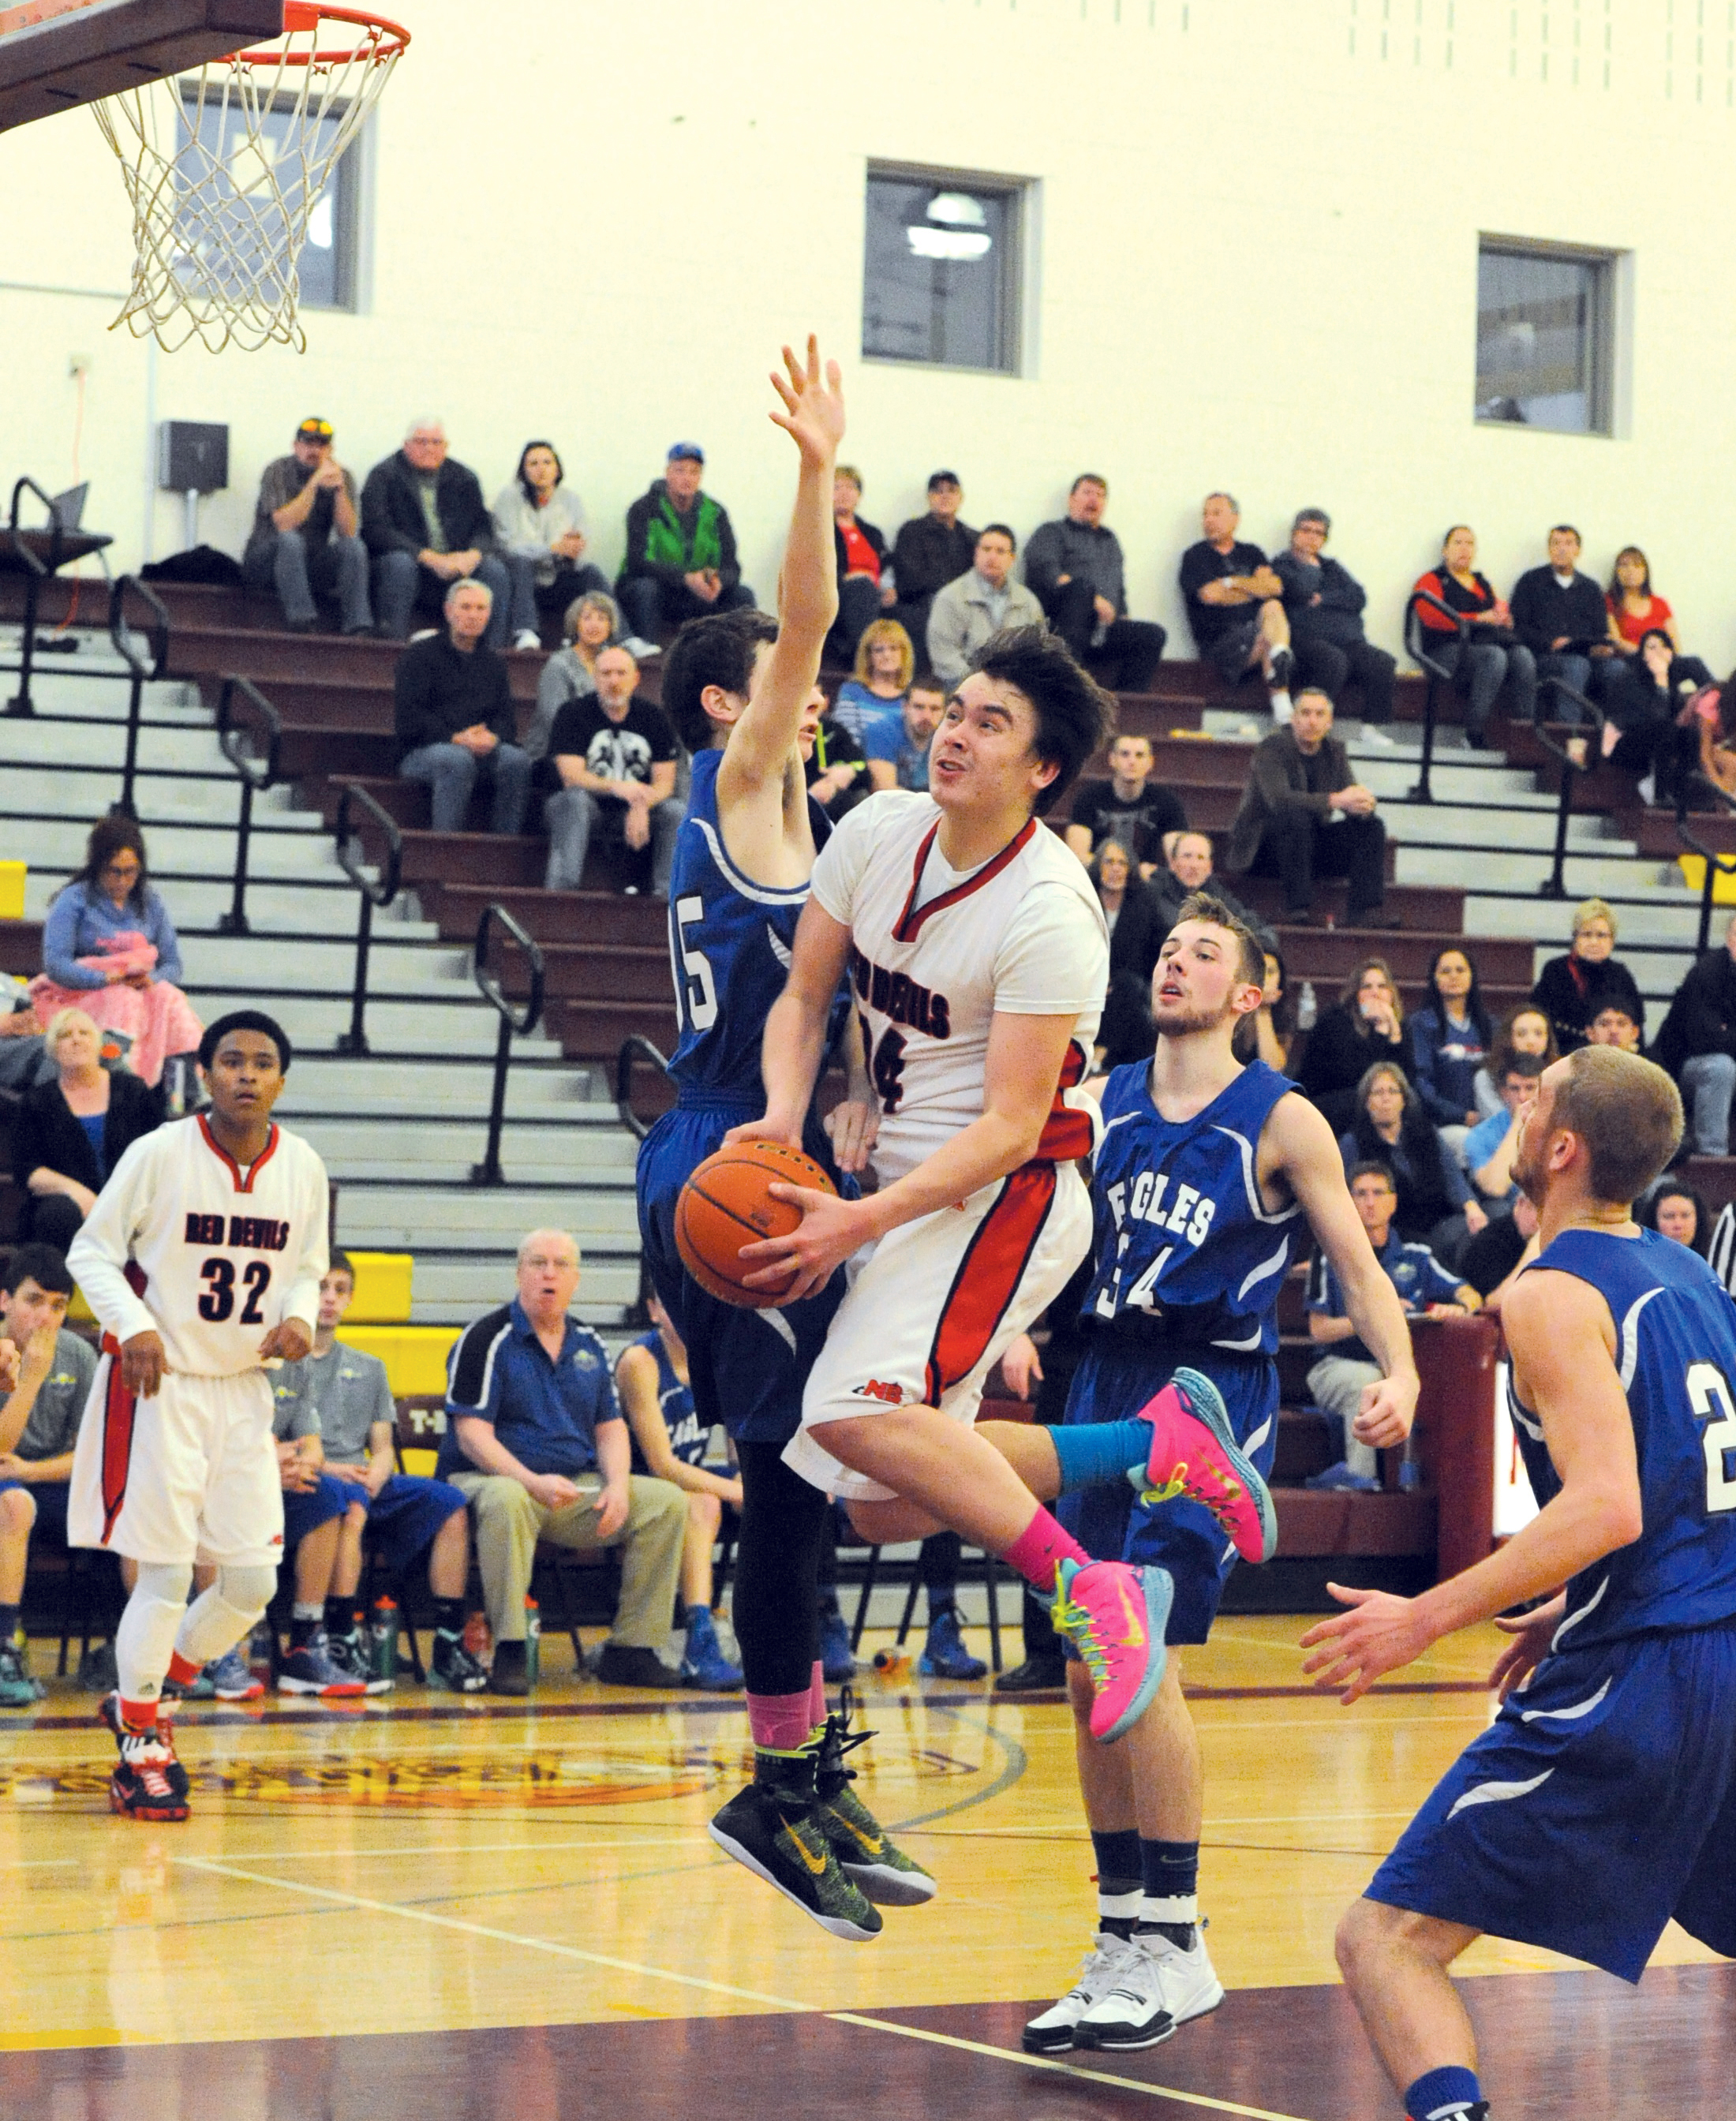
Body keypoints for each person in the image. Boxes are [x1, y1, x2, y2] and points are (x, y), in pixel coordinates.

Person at [748, 631, 1246, 1792]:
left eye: (990, 725)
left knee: (844, 1415)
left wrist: (856, 1225)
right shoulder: (875, 830)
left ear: (1043, 771)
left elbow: (1012, 1127)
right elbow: (809, 991)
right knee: (878, 1509)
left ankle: (1093, 1589)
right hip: (907, 1187)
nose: (955, 735)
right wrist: (794, 1116)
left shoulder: (1053, 912)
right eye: (954, 710)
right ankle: (1157, 1444)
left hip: (1002, 1197)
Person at [635, 337, 933, 1941]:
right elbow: (805, 621)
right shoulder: (739, 777)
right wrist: (818, 471)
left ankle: (807, 1770)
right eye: (785, 684)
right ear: (727, 700)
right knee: (784, 1471)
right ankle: (775, 1786)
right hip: (726, 1161)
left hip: (754, 1155)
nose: (812, 697)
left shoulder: (787, 824)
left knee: (812, 1468)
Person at [1308, 1046, 1736, 2121]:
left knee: (1384, 1941)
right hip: (1717, 1642)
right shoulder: (1688, 1274)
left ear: (1559, 1148)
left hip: (1649, 1670)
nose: (1512, 1102)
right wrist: (1566, 1603)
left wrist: (1424, 1616)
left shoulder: (1552, 1292)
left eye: (1533, 1094)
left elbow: (1609, 1506)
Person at [1019, 898, 1418, 2053]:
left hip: (1206, 1395)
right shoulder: (1098, 1101)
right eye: (1167, 951)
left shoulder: (1282, 1119)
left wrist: (1402, 1370)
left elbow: (1355, 1255)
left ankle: (1180, 1939)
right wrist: (1009, 1318)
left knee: (1141, 1645)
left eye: (1204, 954)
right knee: (1087, 1659)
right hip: (1097, 1383)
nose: (1176, 965)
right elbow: (1033, 1228)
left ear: (1250, 994)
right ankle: (1122, 1939)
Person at [65, 1011, 329, 1820]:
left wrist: (300, 1317)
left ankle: (152, 1697)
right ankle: (141, 1747)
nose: (246, 1074)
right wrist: (134, 1327)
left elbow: (306, 1267)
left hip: (243, 1392)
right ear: (206, 1074)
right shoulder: (158, 1154)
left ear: (282, 1080)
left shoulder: (306, 1168)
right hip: (158, 1386)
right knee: (169, 1572)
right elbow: (91, 1253)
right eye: (231, 1061)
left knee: (251, 1581)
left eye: (262, 1063)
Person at [437, 1229, 686, 1696]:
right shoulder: (486, 1339)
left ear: (576, 1279)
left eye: (561, 1264)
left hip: (571, 1488)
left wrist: (615, 1484)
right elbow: (471, 1437)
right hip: (487, 1480)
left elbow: (610, 1427)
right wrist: (530, 1481)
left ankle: (631, 1649)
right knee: (508, 1498)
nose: (549, 1273)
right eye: (537, 1263)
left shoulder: (589, 1342)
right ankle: (510, 1646)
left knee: (665, 1501)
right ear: (519, 1273)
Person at [269, 1252, 488, 1693]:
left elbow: (384, 1447)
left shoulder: (370, 1367)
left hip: (362, 1480)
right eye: (320, 1288)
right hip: (310, 1478)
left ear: (350, 1300)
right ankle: (339, 1636)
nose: (329, 1299)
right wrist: (336, 1470)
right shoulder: (278, 1363)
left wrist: (377, 1474)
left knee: (450, 1503)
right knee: (344, 1501)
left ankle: (446, 1644)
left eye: (340, 1290)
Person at [1306, 1162, 1476, 1491]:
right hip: (1336, 1365)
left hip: (1396, 1366)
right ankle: (1362, 1482)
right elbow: (1319, 1330)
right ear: (1349, 1201)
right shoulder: (1327, 1254)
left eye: (1378, 1193)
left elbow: (1470, 1293)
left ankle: (1433, 1485)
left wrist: (1460, 1307)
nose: (1370, 1202)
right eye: (1361, 1194)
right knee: (1369, 1383)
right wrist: (1377, 1313)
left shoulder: (1417, 1255)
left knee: (1417, 1382)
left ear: (1393, 1202)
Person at [615, 1289, 743, 1691]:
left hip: (688, 1478)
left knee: (787, 1491)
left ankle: (783, 1631)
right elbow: (662, 1465)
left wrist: (745, 1476)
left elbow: (738, 1428)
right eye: (673, 1300)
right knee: (704, 1504)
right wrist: (736, 1492)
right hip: (634, 1484)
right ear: (653, 1310)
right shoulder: (641, 1362)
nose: (687, 1311)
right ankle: (700, 1637)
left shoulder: (715, 1357)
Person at [33, 816, 202, 1089]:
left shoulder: (150, 901)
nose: (123, 880)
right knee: (122, 1000)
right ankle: (122, 1082)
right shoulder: (74, 900)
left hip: (140, 988)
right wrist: (106, 978)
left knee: (171, 998)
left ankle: (180, 1089)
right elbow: (56, 964)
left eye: (131, 871)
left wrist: (152, 979)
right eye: (115, 871)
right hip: (86, 992)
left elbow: (173, 964)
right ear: (98, 866)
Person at [0, 1244, 95, 1706]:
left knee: (138, 1499)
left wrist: (34, 1471)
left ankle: (131, 1651)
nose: (46, 1316)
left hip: (50, 1479)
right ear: (4, 1300)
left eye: (58, 1305)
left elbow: (94, 1451)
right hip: (6, 1485)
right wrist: (33, 1377)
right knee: (14, 1503)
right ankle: (4, 1648)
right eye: (34, 1300)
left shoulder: (79, 1355)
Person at [1222, 688, 1389, 928]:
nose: (1312, 721)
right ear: (1293, 719)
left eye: (1320, 714)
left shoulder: (1334, 751)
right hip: (1265, 849)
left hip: (1309, 849)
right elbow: (1279, 800)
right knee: (1295, 816)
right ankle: (1298, 909)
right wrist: (1335, 800)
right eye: (1305, 713)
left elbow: (1348, 795)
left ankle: (1363, 912)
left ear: (1329, 722)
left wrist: (1363, 805)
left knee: (1371, 827)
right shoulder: (1272, 748)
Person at [11, 1008, 159, 1252]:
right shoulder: (37, 1101)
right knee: (56, 1214)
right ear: (53, 1050)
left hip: (130, 1200)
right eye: (65, 1035)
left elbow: (160, 1152)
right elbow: (27, 1170)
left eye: (84, 1033)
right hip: (68, 1208)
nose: (76, 1039)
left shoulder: (133, 1091)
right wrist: (76, 1192)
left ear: (99, 1045)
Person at [393, 579, 533, 837]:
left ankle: (505, 846)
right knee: (456, 760)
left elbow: (506, 720)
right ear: (449, 611)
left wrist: (493, 738)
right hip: (422, 752)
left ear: (489, 614)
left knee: (517, 760)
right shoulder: (419, 656)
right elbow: (409, 719)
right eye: (466, 607)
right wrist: (456, 738)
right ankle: (446, 846)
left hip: (479, 751)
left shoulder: (494, 664)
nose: (473, 615)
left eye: (481, 609)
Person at [539, 645, 681, 895]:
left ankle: (667, 897)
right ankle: (561, 895)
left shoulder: (654, 718)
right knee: (575, 801)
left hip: (635, 808)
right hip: (581, 807)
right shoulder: (572, 714)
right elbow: (572, 777)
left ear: (636, 678)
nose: (613, 681)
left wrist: (640, 805)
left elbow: (665, 784)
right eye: (605, 674)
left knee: (675, 811)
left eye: (621, 673)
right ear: (594, 677)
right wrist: (619, 788)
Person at [361, 418, 513, 649]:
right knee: (400, 564)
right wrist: (429, 557)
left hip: (457, 567)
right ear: (406, 445)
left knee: (494, 570)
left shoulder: (464, 477)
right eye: (421, 442)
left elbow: (483, 526)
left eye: (436, 442)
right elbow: (376, 530)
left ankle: (493, 652)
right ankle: (392, 647)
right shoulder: (384, 475)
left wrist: (472, 555)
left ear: (445, 447)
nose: (429, 448)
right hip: (411, 565)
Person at [267, 1368, 368, 1697]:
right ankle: (218, 1654)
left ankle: (304, 1643)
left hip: (279, 1478)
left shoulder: (294, 1370)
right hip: (223, 1477)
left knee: (325, 1493)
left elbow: (314, 1450)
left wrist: (298, 1468)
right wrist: (264, 1468)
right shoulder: (220, 1360)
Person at [1023, 475, 1166, 693]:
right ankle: (1068, 682)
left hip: (1100, 629)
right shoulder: (1052, 532)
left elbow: (1118, 588)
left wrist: (1123, 616)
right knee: (1082, 588)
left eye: (1100, 495)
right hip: (1061, 627)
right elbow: (1046, 571)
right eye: (1088, 492)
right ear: (1071, 499)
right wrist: (1093, 599)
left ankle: (1125, 703)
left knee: (1153, 635)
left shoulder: (1110, 541)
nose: (1094, 500)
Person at [1340, 1060, 1487, 1269]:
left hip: (1439, 1220)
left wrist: (1472, 1208)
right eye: (1378, 1093)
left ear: (1404, 1099)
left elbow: (1452, 1176)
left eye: (1393, 1091)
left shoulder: (1427, 1133)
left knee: (1479, 1229)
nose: (1386, 1099)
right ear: (1366, 1102)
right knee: (1430, 1248)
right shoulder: (1353, 1144)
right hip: (1391, 1232)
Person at [241, 415, 372, 636]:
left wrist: (340, 490)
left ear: (330, 449)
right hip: (265, 563)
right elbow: (285, 524)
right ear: (296, 446)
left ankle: (358, 624)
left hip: (309, 566)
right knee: (290, 540)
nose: (314, 450)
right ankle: (302, 620)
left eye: (321, 445)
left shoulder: (342, 475)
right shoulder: (278, 470)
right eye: (308, 443)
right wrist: (314, 483)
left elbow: (347, 532)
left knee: (354, 547)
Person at [1271, 508, 1397, 740]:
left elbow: (1358, 597)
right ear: (1294, 534)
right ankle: (1311, 727)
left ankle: (1370, 729)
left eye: (1318, 533)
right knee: (1334, 660)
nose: (1311, 537)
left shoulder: (1331, 567)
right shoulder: (1282, 565)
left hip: (1348, 640)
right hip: (1306, 641)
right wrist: (1309, 566)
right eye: (1306, 530)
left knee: (1383, 662)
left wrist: (1324, 599)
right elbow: (1301, 590)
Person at [616, 441, 755, 642]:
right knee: (645, 589)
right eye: (680, 471)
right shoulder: (643, 509)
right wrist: (685, 578)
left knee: (743, 595)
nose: (687, 478)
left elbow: (732, 566)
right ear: (668, 473)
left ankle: (745, 660)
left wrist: (718, 581)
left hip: (699, 595)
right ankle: (647, 653)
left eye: (694, 472)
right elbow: (637, 563)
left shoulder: (715, 512)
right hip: (663, 592)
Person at [1410, 526, 1536, 743]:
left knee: (1522, 655)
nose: (1464, 549)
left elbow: (1499, 608)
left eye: (1469, 544)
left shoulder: (1482, 583)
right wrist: (1478, 618)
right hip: (1442, 651)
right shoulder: (1431, 580)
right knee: (1493, 656)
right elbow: (1433, 618)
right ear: (1445, 550)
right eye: (1458, 543)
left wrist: (1504, 619)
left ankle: (1525, 731)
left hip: (1482, 646)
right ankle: (1473, 732)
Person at [1177, 492, 1295, 720]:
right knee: (1266, 638)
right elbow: (1211, 596)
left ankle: (1281, 655)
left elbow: (1274, 587)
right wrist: (1253, 588)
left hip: (1254, 633)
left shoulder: (1251, 552)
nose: (1208, 520)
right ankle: (1282, 707)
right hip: (1220, 643)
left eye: (1216, 513)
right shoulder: (1195, 556)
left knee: (1273, 607)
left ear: (1235, 519)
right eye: (1205, 515)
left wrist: (1230, 583)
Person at [491, 440, 610, 649]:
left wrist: (574, 549)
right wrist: (552, 549)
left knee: (591, 571)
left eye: (547, 462)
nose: (541, 469)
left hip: (557, 575)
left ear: (557, 469)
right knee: (521, 562)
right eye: (533, 463)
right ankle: (526, 631)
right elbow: (508, 546)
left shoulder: (571, 500)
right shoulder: (508, 498)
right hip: (521, 580)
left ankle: (621, 637)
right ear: (523, 471)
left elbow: (582, 539)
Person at [1508, 523, 1617, 718]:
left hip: (1587, 655)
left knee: (1617, 669)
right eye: (1556, 543)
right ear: (1549, 549)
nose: (1561, 549)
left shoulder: (1591, 588)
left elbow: (1601, 630)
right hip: (1544, 657)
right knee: (1576, 665)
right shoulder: (1530, 582)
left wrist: (1601, 647)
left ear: (1578, 550)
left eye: (1568, 543)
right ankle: (1568, 735)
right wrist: (1551, 642)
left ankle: (1613, 737)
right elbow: (1519, 627)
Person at [1653, 909, 1736, 1155]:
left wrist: (1727, 1033)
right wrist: (1723, 1036)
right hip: (1682, 1067)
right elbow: (1705, 1040)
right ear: (1730, 939)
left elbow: (1721, 1037)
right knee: (1720, 1067)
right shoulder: (1707, 973)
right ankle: (1713, 1155)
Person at [1297, 956, 1409, 1135]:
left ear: (1391, 993)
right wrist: (1379, 1035)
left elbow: (1406, 1080)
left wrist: (1394, 1033)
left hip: (1373, 1102)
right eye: (1367, 987)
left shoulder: (1400, 1026)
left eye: (1382, 986)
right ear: (1356, 993)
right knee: (1368, 1101)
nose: (1375, 993)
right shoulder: (1335, 1020)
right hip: (1329, 1100)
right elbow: (1358, 1078)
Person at [926, 525, 1044, 685]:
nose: (992, 557)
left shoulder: (1028, 602)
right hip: (964, 687)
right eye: (986, 549)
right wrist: (983, 685)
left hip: (1014, 688)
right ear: (976, 553)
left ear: (1012, 559)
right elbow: (944, 658)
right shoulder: (950, 598)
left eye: (1000, 551)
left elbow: (1038, 654)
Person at [1062, 732, 1187, 876]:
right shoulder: (1089, 798)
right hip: (1100, 880)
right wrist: (1125, 869)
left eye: (1139, 755)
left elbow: (1179, 859)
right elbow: (1078, 856)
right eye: (1125, 754)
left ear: (1150, 763)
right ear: (1112, 759)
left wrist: (1153, 872)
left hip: (1148, 885)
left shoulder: (1167, 801)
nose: (1132, 761)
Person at [1532, 897, 1644, 1053]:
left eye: (1601, 935)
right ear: (1575, 939)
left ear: (1612, 941)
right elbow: (1545, 1023)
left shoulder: (1621, 975)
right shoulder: (1555, 970)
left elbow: (1636, 1025)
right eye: (1586, 935)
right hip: (1564, 1054)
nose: (1594, 942)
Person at [524, 589, 622, 767]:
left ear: (610, 626)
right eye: (587, 618)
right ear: (575, 623)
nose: (595, 625)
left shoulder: (614, 663)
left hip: (601, 752)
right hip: (555, 753)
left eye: (602, 619)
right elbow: (553, 718)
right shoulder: (559, 664)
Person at [1092, 840, 1165, 1072]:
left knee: (1128, 987)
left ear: (1130, 869)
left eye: (1122, 863)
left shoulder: (1145, 902)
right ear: (1098, 865)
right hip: (1086, 981)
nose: (1115, 869)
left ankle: (1101, 1053)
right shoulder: (1083, 896)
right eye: (1109, 861)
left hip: (1129, 985)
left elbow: (1153, 953)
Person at [1603, 545, 1712, 696]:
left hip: (1663, 661)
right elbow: (1616, 641)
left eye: (1636, 565)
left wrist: (1661, 656)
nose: (1630, 571)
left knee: (1693, 663)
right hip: (1633, 663)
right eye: (1624, 565)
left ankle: (1721, 707)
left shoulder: (1660, 603)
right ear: (1616, 572)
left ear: (1645, 571)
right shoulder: (1609, 601)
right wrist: (1650, 654)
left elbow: (1674, 644)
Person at [1408, 947, 1492, 1138]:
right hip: (1444, 1126)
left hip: (1487, 1122)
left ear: (1471, 977)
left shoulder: (1489, 1026)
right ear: (1435, 980)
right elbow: (1422, 1084)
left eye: (1460, 970)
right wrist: (1461, 1116)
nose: (1454, 976)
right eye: (1446, 971)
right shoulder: (1422, 1024)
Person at [887, 470, 978, 648]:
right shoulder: (912, 531)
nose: (944, 496)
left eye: (951, 490)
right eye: (938, 491)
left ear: (961, 497)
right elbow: (909, 580)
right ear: (929, 497)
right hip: (924, 603)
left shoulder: (972, 538)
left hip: (966, 604)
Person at [1150, 831, 1272, 955]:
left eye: (1200, 858)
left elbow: (1260, 930)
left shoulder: (1218, 895)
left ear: (1209, 867)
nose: (1194, 865)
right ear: (1173, 864)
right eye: (1187, 856)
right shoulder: (1154, 893)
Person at [1463, 1053, 1546, 1207]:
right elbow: (1495, 1188)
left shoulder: (1565, 1125)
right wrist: (1518, 1126)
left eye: (1530, 1088)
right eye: (1515, 1089)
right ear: (1504, 1092)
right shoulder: (1480, 1136)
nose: (1522, 1097)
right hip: (1512, 1214)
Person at [830, 465, 893, 659]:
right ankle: (865, 661)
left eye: (851, 487)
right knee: (861, 587)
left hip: (875, 595)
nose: (844, 493)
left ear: (859, 494)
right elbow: (813, 572)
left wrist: (889, 588)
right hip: (839, 596)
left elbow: (887, 566)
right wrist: (848, 578)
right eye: (837, 487)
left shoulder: (872, 532)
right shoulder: (819, 532)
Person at [832, 617, 914, 743]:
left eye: (893, 648)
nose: (887, 655)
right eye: (879, 650)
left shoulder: (913, 694)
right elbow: (846, 741)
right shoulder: (852, 692)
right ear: (868, 656)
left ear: (904, 653)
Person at [862, 671, 945, 792]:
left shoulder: (948, 736)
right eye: (919, 707)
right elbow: (886, 791)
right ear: (905, 707)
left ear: (945, 711)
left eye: (935, 709)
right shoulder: (882, 730)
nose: (927, 716)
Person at [1457, 1191, 1540, 1310]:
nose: (1545, 1219)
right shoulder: (1490, 1242)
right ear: (1520, 1203)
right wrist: (1533, 1250)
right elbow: (1494, 1303)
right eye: (1538, 1209)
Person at [1472, 1002, 1555, 1119]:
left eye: (1539, 1033)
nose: (1531, 1041)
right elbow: (1499, 1121)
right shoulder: (1486, 1078)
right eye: (1521, 1034)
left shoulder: (1561, 1075)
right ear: (1508, 1039)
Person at [805, 692, 870, 821]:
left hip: (831, 801)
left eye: (816, 700)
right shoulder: (783, 732)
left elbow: (864, 771)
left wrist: (849, 771)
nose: (810, 706)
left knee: (860, 798)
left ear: (825, 702)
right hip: (797, 802)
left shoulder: (835, 730)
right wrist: (810, 795)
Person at [1639, 1180, 1710, 1256]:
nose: (1678, 1225)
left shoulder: (1714, 1260)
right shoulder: (1640, 1261)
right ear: (1654, 1221)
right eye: (1668, 1216)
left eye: (1685, 1216)